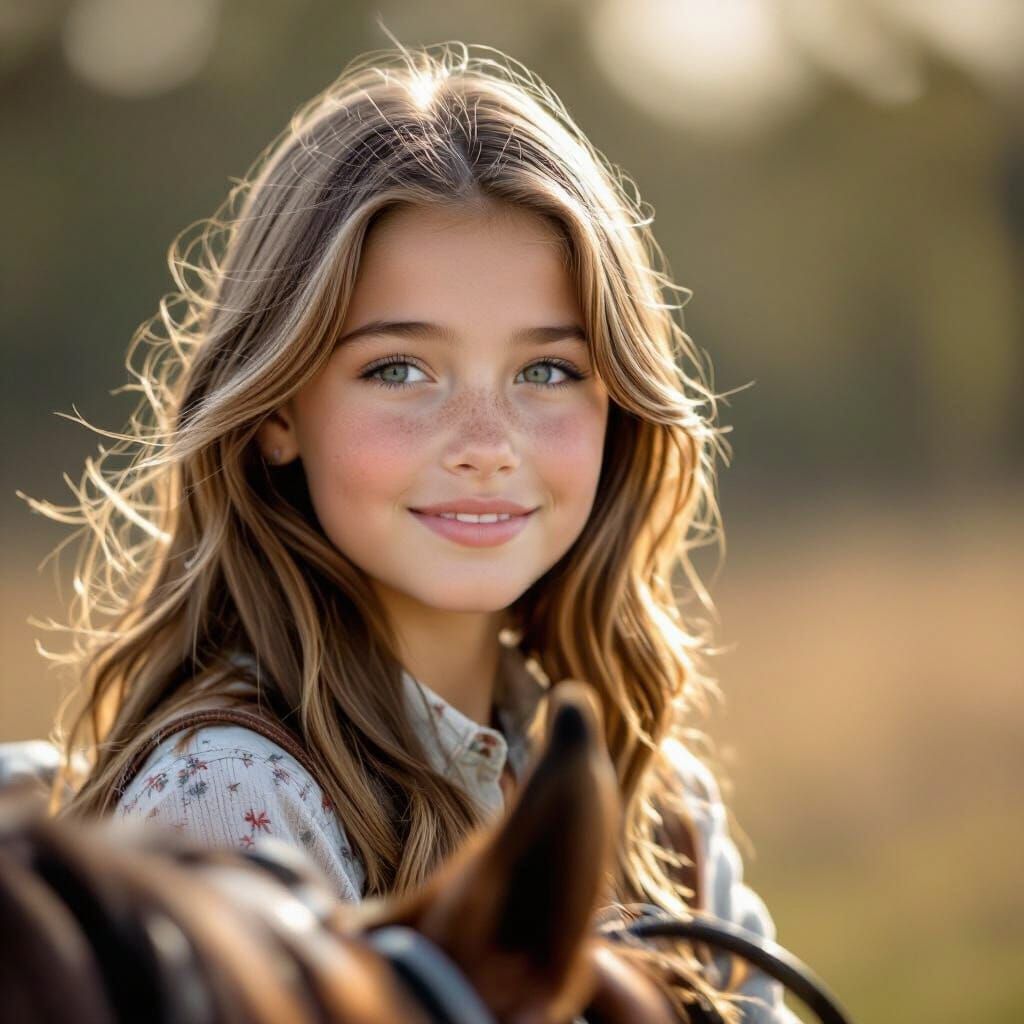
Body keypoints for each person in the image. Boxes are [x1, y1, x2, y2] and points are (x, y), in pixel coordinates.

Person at [29, 41, 798, 1022]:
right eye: (400, 369)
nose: (486, 446)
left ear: (618, 407)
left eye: (547, 371)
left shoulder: (656, 798)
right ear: (275, 413)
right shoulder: (232, 796)